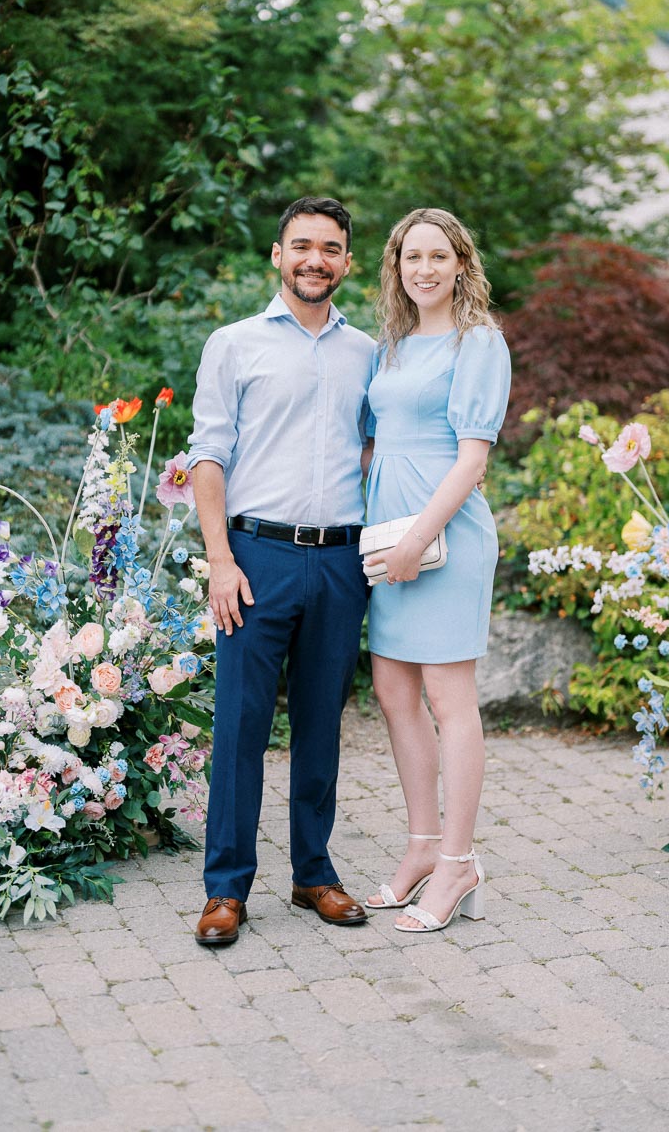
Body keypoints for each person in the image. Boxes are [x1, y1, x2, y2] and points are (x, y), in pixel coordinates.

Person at [188, 195, 375, 946]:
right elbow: (208, 456)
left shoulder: (368, 353)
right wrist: (220, 561)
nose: (314, 260)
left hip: (340, 560)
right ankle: (226, 889)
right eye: (302, 246)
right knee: (240, 726)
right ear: (277, 255)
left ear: (347, 263)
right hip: (255, 558)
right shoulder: (233, 344)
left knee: (321, 726)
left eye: (330, 249)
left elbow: (376, 449)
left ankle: (313, 875)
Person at [362, 207, 511, 935]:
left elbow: (472, 458)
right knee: (393, 691)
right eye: (410, 257)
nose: (423, 269)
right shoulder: (389, 346)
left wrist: (418, 538)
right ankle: (422, 846)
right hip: (387, 539)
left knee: (451, 699)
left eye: (437, 256)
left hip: (444, 538)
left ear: (460, 265)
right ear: (396, 267)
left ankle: (458, 862)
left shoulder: (478, 341)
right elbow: (373, 443)